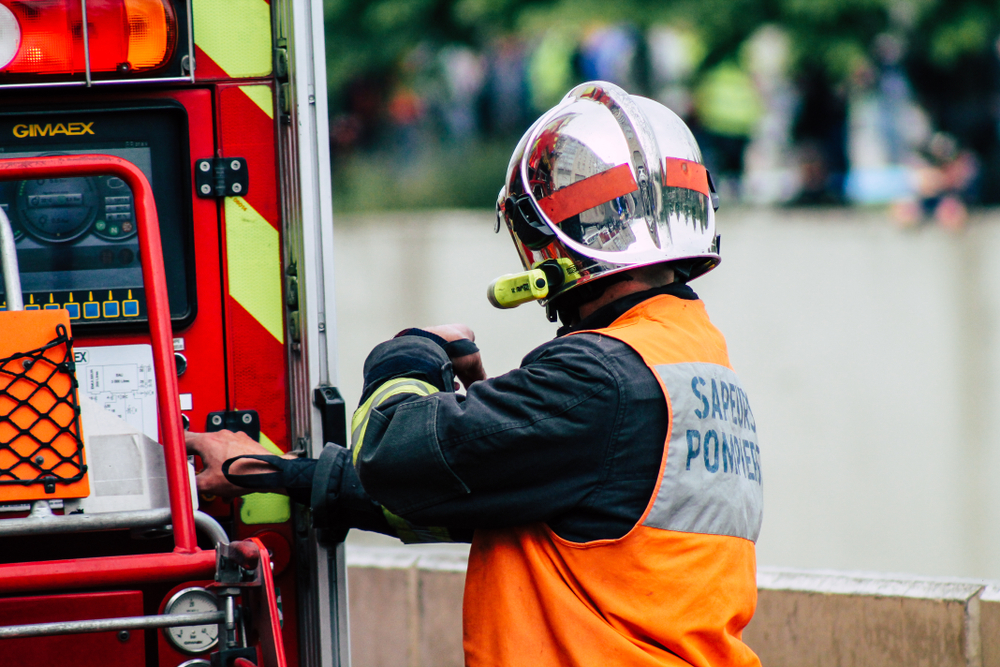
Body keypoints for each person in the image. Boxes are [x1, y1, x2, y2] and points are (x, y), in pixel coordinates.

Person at [188, 81, 763, 667]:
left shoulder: (600, 377)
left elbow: (391, 454)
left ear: (549, 236)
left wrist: (410, 355)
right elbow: (489, 500)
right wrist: (274, 473)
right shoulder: (692, 365)